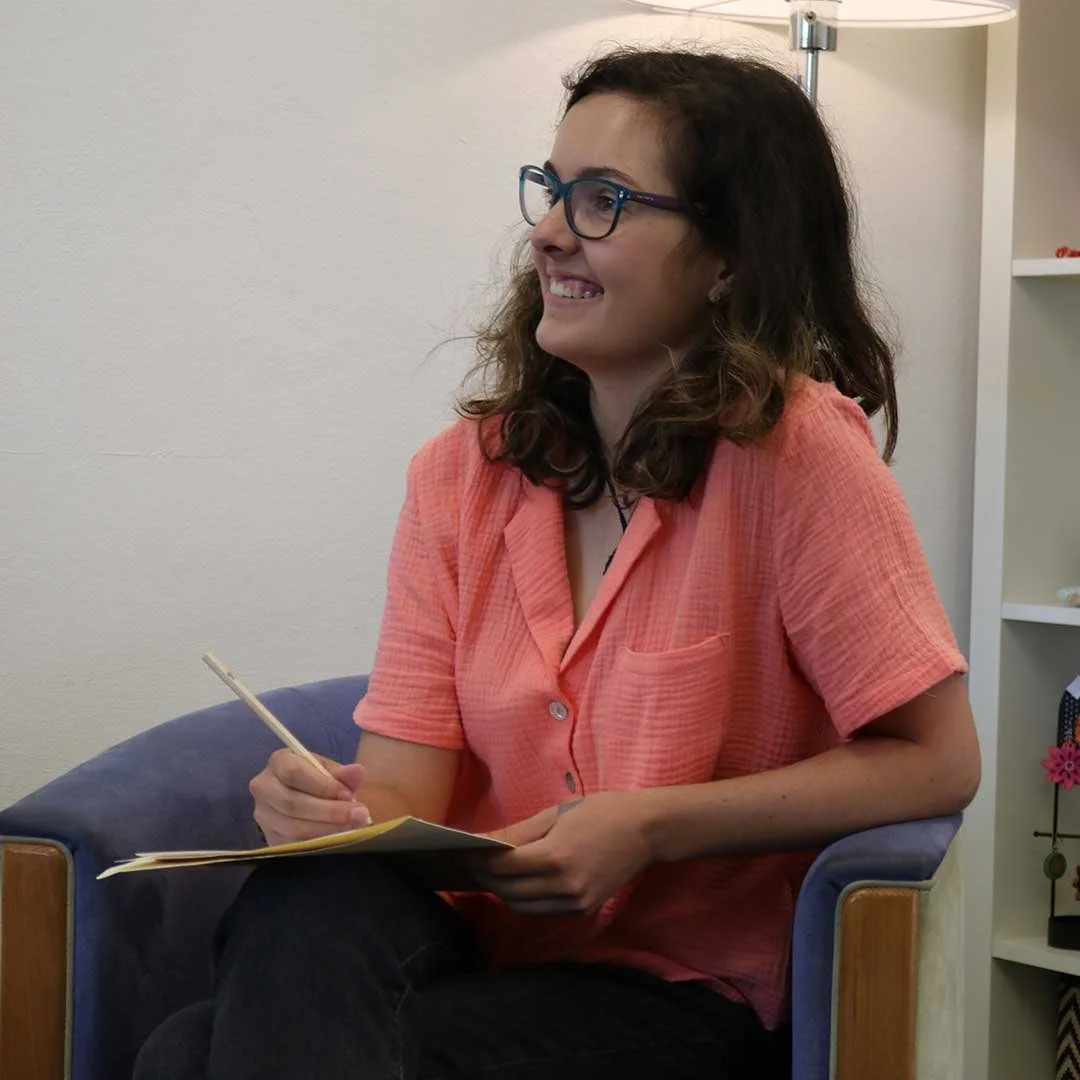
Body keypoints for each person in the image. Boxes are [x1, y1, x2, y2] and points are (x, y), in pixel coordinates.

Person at [134, 45, 980, 1080]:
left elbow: (937, 759)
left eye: (604, 201)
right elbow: (406, 783)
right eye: (552, 189)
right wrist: (329, 809)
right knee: (307, 887)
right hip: (472, 950)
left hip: (678, 997)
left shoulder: (796, 458)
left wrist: (649, 827)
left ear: (729, 259)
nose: (546, 232)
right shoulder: (460, 477)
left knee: (188, 1055)